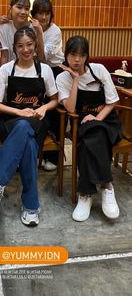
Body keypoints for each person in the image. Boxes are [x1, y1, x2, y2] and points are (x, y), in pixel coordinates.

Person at [0, 27, 58, 226]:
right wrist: (18, 112)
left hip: (38, 121)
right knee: (27, 141)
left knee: (26, 131)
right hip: (10, 121)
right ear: (14, 48)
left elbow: (55, 100)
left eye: (30, 45)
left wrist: (44, 108)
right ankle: (31, 206)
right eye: (21, 46)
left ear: (35, 45)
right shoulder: (6, 70)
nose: (26, 49)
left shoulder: (45, 70)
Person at [56, 35, 121, 222]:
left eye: (82, 55)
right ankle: (107, 185)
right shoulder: (62, 78)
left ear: (87, 56)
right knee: (92, 135)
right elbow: (69, 108)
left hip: (107, 121)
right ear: (66, 55)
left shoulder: (99, 70)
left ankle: (86, 193)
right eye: (73, 54)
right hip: (81, 123)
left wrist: (97, 118)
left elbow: (112, 101)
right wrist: (75, 80)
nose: (77, 59)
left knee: (93, 135)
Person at [31, 0, 65, 171]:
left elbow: (43, 56)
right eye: (40, 13)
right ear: (34, 14)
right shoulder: (30, 27)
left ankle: (54, 157)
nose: (43, 17)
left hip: (56, 70)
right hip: (37, 70)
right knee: (38, 111)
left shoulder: (55, 31)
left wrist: (38, 33)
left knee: (55, 112)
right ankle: (37, 154)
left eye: (47, 13)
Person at [0, 0, 43, 66]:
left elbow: (40, 57)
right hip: (10, 69)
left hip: (29, 69)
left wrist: (40, 33)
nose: (23, 12)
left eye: (27, 9)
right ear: (10, 9)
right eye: (19, 7)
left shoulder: (34, 28)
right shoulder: (4, 28)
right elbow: (4, 56)